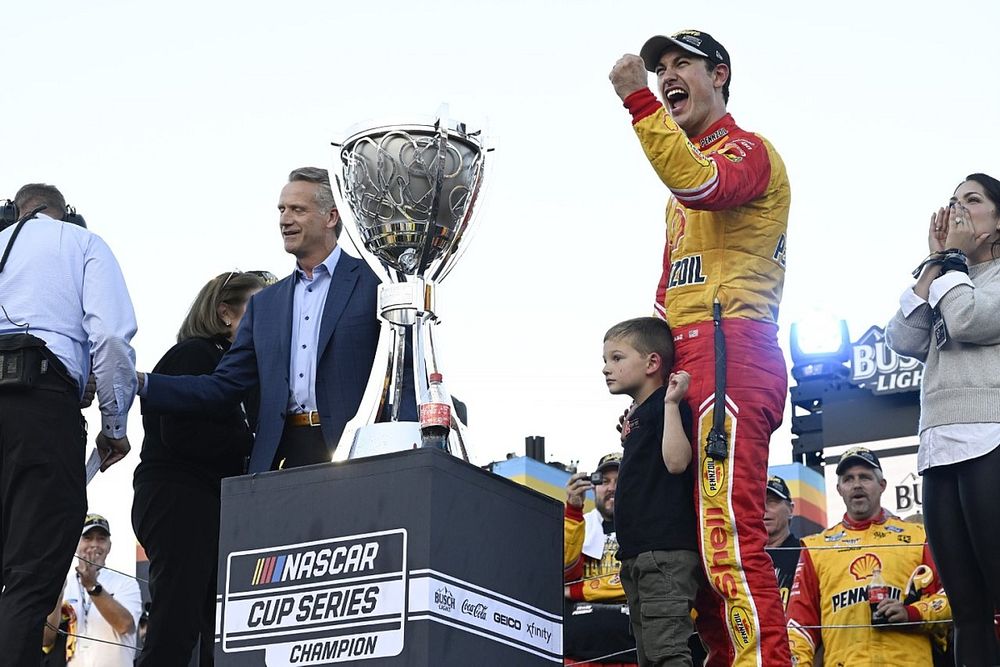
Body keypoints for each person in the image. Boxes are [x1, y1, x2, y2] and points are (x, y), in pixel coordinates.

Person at [609, 29, 791, 667]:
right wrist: (646, 391)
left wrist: (639, 103)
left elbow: (703, 186)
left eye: (680, 63)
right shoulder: (678, 186)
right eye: (658, 68)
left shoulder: (748, 150)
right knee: (693, 551)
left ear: (720, 75)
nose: (665, 76)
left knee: (728, 540)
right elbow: (666, 296)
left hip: (731, 350)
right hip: (688, 363)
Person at [140, 167, 384, 472]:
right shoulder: (265, 304)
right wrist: (142, 383)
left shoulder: (373, 282)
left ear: (331, 217)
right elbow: (222, 386)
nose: (285, 220)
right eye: (282, 210)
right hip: (281, 457)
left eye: (298, 209)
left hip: (357, 452)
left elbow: (403, 372)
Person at [0, 183, 136, 664]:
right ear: (64, 214)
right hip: (41, 413)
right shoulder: (82, 243)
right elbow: (112, 339)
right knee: (30, 574)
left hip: (38, 403)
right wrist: (114, 424)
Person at [885, 172, 1000, 665]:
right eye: (953, 202)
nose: (957, 210)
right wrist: (936, 261)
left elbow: (970, 320)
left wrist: (952, 261)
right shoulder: (948, 278)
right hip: (938, 444)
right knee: (966, 608)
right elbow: (903, 338)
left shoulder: (981, 280)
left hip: (991, 436)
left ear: (998, 222)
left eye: (972, 200)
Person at [132, 271, 266, 666]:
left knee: (218, 630)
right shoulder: (194, 354)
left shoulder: (240, 371)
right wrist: (249, 443)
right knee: (176, 624)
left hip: (212, 505)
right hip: (178, 498)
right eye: (259, 307)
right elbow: (179, 432)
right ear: (225, 313)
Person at [786, 447, 951, 667]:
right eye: (848, 479)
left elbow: (953, 598)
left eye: (865, 477)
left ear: (882, 485)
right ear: (839, 489)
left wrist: (911, 613)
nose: (857, 485)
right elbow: (799, 626)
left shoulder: (918, 537)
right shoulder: (816, 547)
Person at [603, 317, 701, 667]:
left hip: (663, 554)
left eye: (617, 358)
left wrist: (672, 406)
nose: (606, 368)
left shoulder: (668, 405)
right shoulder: (640, 414)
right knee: (650, 657)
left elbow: (676, 462)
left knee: (666, 654)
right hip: (638, 554)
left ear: (652, 363)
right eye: (605, 360)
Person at [563, 451, 636, 664]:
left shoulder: (649, 526)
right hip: (577, 654)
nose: (611, 488)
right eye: (604, 481)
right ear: (593, 486)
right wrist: (573, 510)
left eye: (619, 481)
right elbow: (561, 574)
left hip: (633, 653)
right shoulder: (577, 524)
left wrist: (577, 591)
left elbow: (642, 583)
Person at [44, 514, 143, 667]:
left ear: (109, 546)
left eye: (101, 539)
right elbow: (46, 639)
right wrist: (58, 595)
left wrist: (92, 586)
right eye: (88, 538)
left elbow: (125, 625)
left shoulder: (126, 583)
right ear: (76, 543)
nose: (95, 544)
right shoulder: (64, 584)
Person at [763, 476, 799, 610]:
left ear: (791, 509)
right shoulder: (740, 557)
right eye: (757, 501)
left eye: (771, 501)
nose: (763, 508)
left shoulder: (805, 555)